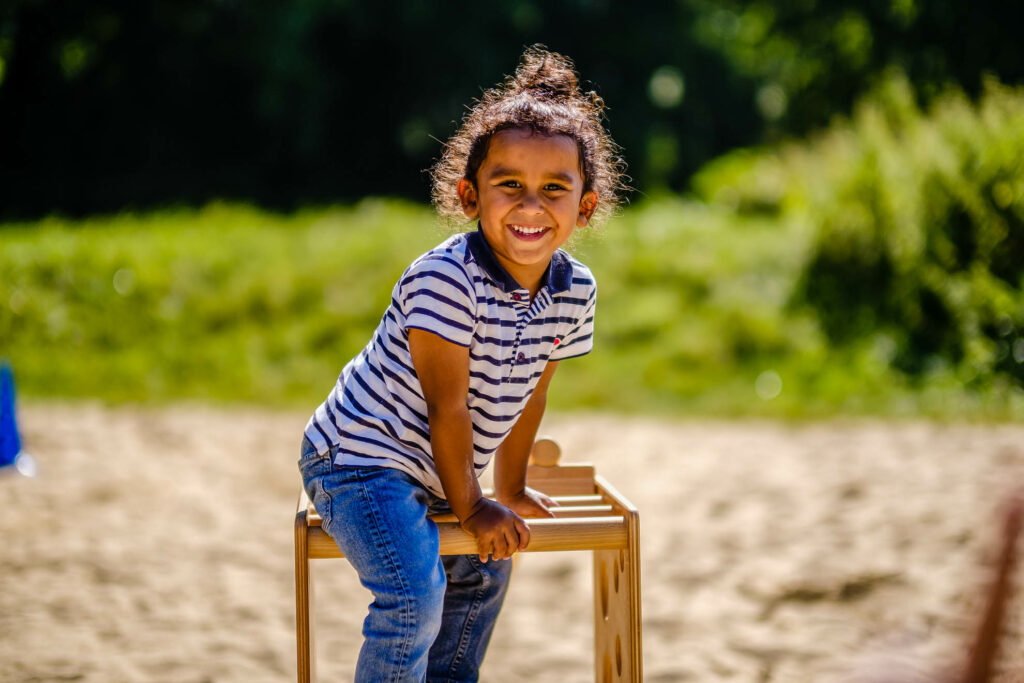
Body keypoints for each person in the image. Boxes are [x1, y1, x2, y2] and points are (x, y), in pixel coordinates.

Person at [298, 45, 625, 682]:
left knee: (484, 570)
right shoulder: (447, 279)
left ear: (584, 206)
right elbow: (448, 408)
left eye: (555, 189)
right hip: (358, 461)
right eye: (510, 186)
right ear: (471, 195)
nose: (531, 205)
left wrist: (508, 490)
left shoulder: (574, 290)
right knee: (414, 594)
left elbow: (532, 393)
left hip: (434, 470)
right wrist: (472, 508)